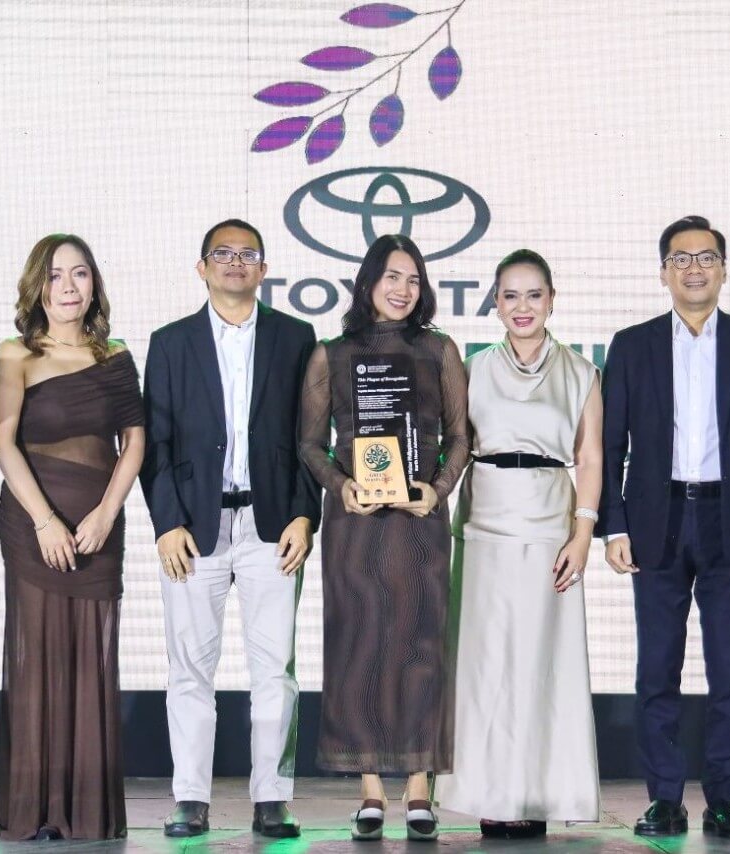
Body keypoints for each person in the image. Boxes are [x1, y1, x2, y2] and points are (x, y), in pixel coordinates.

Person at [597, 216, 730, 840]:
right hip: (655, 518)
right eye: (681, 258)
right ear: (664, 272)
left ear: (723, 269)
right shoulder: (632, 345)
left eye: (706, 257)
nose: (694, 268)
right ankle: (663, 798)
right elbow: (611, 447)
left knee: (729, 669)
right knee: (656, 668)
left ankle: (722, 799)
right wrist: (614, 525)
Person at [140, 218, 320, 839]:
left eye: (248, 254)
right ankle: (190, 797)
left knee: (276, 668)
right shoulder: (170, 343)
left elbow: (309, 438)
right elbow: (154, 444)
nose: (235, 262)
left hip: (274, 525)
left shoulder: (297, 338)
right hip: (194, 525)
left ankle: (272, 797)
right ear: (202, 267)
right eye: (223, 253)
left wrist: (305, 513)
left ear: (264, 270)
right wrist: (166, 524)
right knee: (190, 668)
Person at [298, 233, 469, 842]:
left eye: (414, 280)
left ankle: (419, 786)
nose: (403, 290)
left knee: (422, 643)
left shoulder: (440, 351)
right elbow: (310, 444)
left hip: (419, 520)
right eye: (393, 277)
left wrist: (438, 489)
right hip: (354, 525)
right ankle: (371, 789)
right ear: (368, 281)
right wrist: (339, 484)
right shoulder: (331, 355)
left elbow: (460, 436)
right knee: (359, 645)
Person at [437, 249, 602, 838]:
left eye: (534, 295)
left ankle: (535, 794)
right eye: (510, 295)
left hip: (550, 525)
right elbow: (452, 445)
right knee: (485, 664)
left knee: (541, 662)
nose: (522, 306)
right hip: (483, 522)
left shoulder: (581, 371)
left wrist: (583, 534)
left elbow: (590, 456)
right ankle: (490, 793)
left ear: (552, 299)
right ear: (496, 303)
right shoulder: (471, 366)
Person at [0, 234, 145, 840]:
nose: (69, 288)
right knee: (37, 653)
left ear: (94, 285)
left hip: (98, 524)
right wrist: (45, 520)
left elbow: (134, 442)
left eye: (80, 275)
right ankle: (36, 809)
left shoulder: (116, 355)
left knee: (91, 656)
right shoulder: (16, 355)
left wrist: (107, 512)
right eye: (57, 276)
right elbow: (3, 441)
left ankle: (85, 811)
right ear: (39, 285)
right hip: (34, 523)